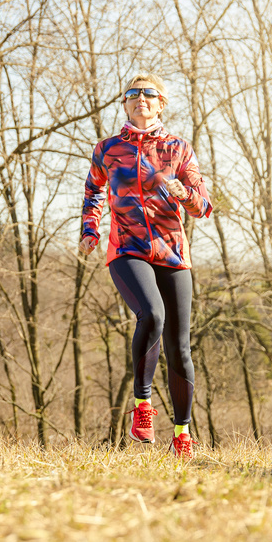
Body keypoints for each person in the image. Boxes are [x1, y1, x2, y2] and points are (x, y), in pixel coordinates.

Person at [79, 73, 212, 459]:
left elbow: (203, 206)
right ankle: (142, 408)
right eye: (133, 94)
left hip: (172, 253)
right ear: (125, 104)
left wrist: (183, 192)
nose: (141, 98)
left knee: (179, 347)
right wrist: (90, 229)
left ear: (161, 103)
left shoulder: (178, 149)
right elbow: (93, 190)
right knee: (151, 315)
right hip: (128, 248)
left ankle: (183, 436)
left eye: (149, 94)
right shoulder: (108, 149)